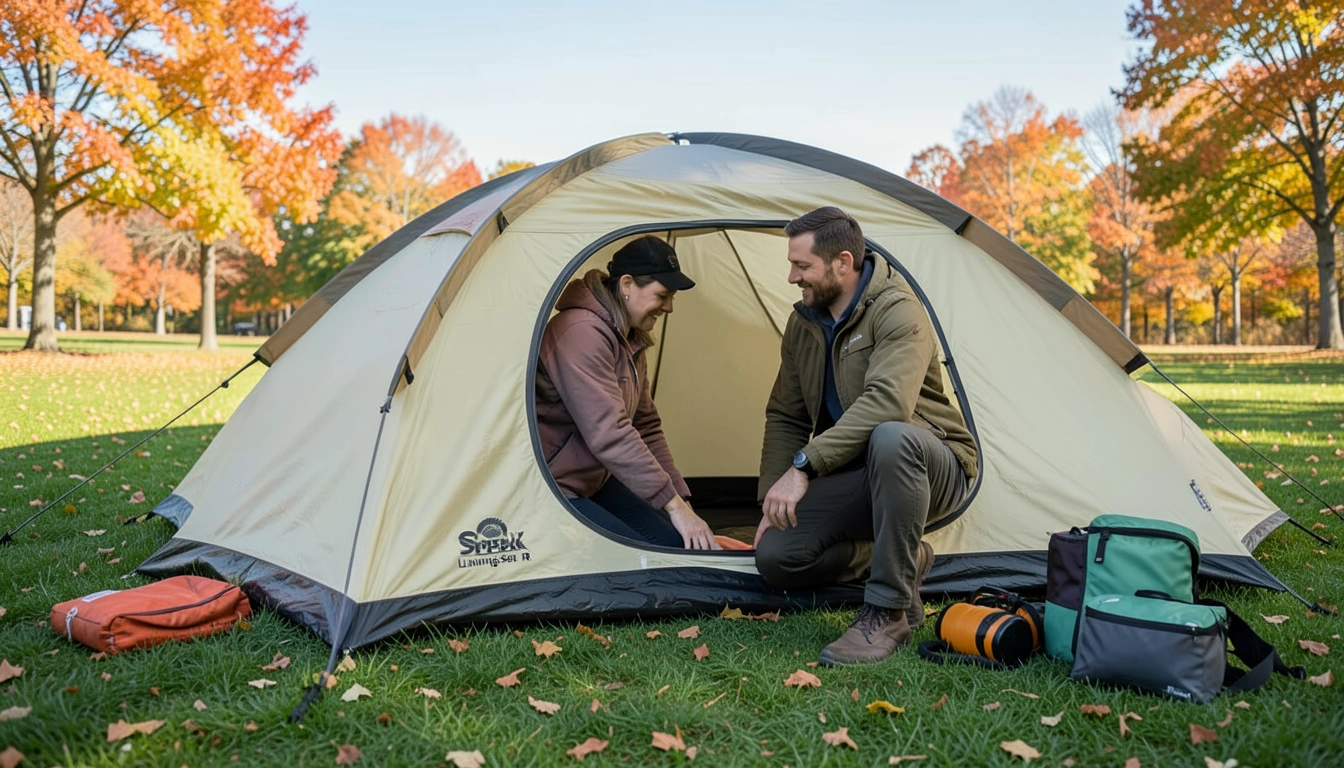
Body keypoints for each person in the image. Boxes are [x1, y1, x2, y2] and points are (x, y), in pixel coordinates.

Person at [755, 207, 978, 665]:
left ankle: (888, 610)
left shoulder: (897, 308)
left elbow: (887, 406)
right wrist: (770, 498)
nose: (792, 277)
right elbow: (786, 414)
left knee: (891, 437)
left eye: (802, 266)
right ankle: (904, 558)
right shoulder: (804, 324)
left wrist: (804, 467)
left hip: (932, 465)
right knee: (777, 556)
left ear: (842, 262)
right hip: (858, 470)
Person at [536, 236, 721, 550]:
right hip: (555, 488)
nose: (670, 307)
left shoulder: (630, 339)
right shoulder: (579, 332)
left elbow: (646, 425)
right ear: (626, 284)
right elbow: (611, 433)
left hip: (597, 481)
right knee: (647, 563)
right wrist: (672, 507)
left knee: (678, 545)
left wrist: (683, 503)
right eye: (663, 295)